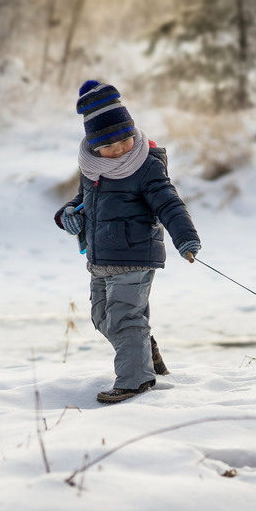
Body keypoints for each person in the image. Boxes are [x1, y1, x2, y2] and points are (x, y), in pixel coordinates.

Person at [55, 80, 201, 403]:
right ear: (94, 146)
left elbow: (169, 203)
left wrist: (185, 238)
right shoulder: (92, 169)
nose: (120, 148)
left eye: (125, 138)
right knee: (101, 317)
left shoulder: (145, 166)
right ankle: (142, 349)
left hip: (135, 256)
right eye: (111, 144)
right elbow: (81, 202)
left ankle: (136, 380)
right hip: (100, 258)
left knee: (124, 318)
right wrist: (68, 215)